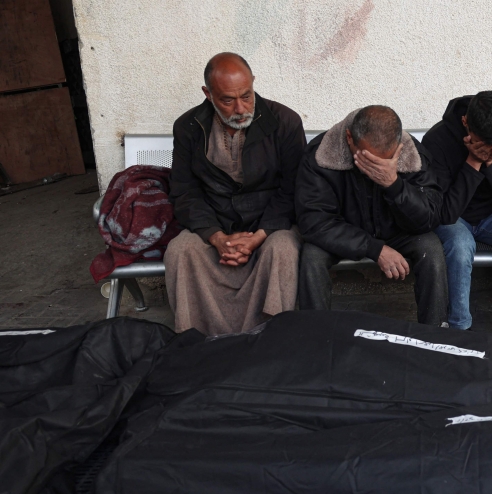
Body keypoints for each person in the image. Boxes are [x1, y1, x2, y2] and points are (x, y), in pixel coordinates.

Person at [165, 52, 304, 336]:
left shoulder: (285, 121)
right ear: (208, 94)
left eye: (247, 96)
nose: (241, 108)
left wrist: (259, 236)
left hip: (271, 224)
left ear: (253, 83)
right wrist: (217, 237)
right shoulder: (188, 127)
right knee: (180, 251)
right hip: (215, 222)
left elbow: (294, 188)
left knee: (283, 249)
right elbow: (184, 191)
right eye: (228, 100)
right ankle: (198, 342)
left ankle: (272, 339)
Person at [296, 106, 448, 325]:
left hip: (397, 231)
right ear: (349, 138)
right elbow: (314, 222)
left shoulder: (412, 153)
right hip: (346, 232)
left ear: (398, 146)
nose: (378, 167)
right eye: (369, 160)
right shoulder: (321, 155)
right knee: (312, 256)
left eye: (386, 160)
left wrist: (394, 185)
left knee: (431, 248)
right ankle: (316, 335)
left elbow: (429, 218)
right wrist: (374, 248)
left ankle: (434, 335)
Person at [422, 91, 492, 334]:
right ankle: (459, 328)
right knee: (460, 244)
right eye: (482, 142)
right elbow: (445, 213)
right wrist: (473, 162)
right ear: (465, 122)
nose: (490, 148)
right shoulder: (438, 139)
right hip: (455, 216)